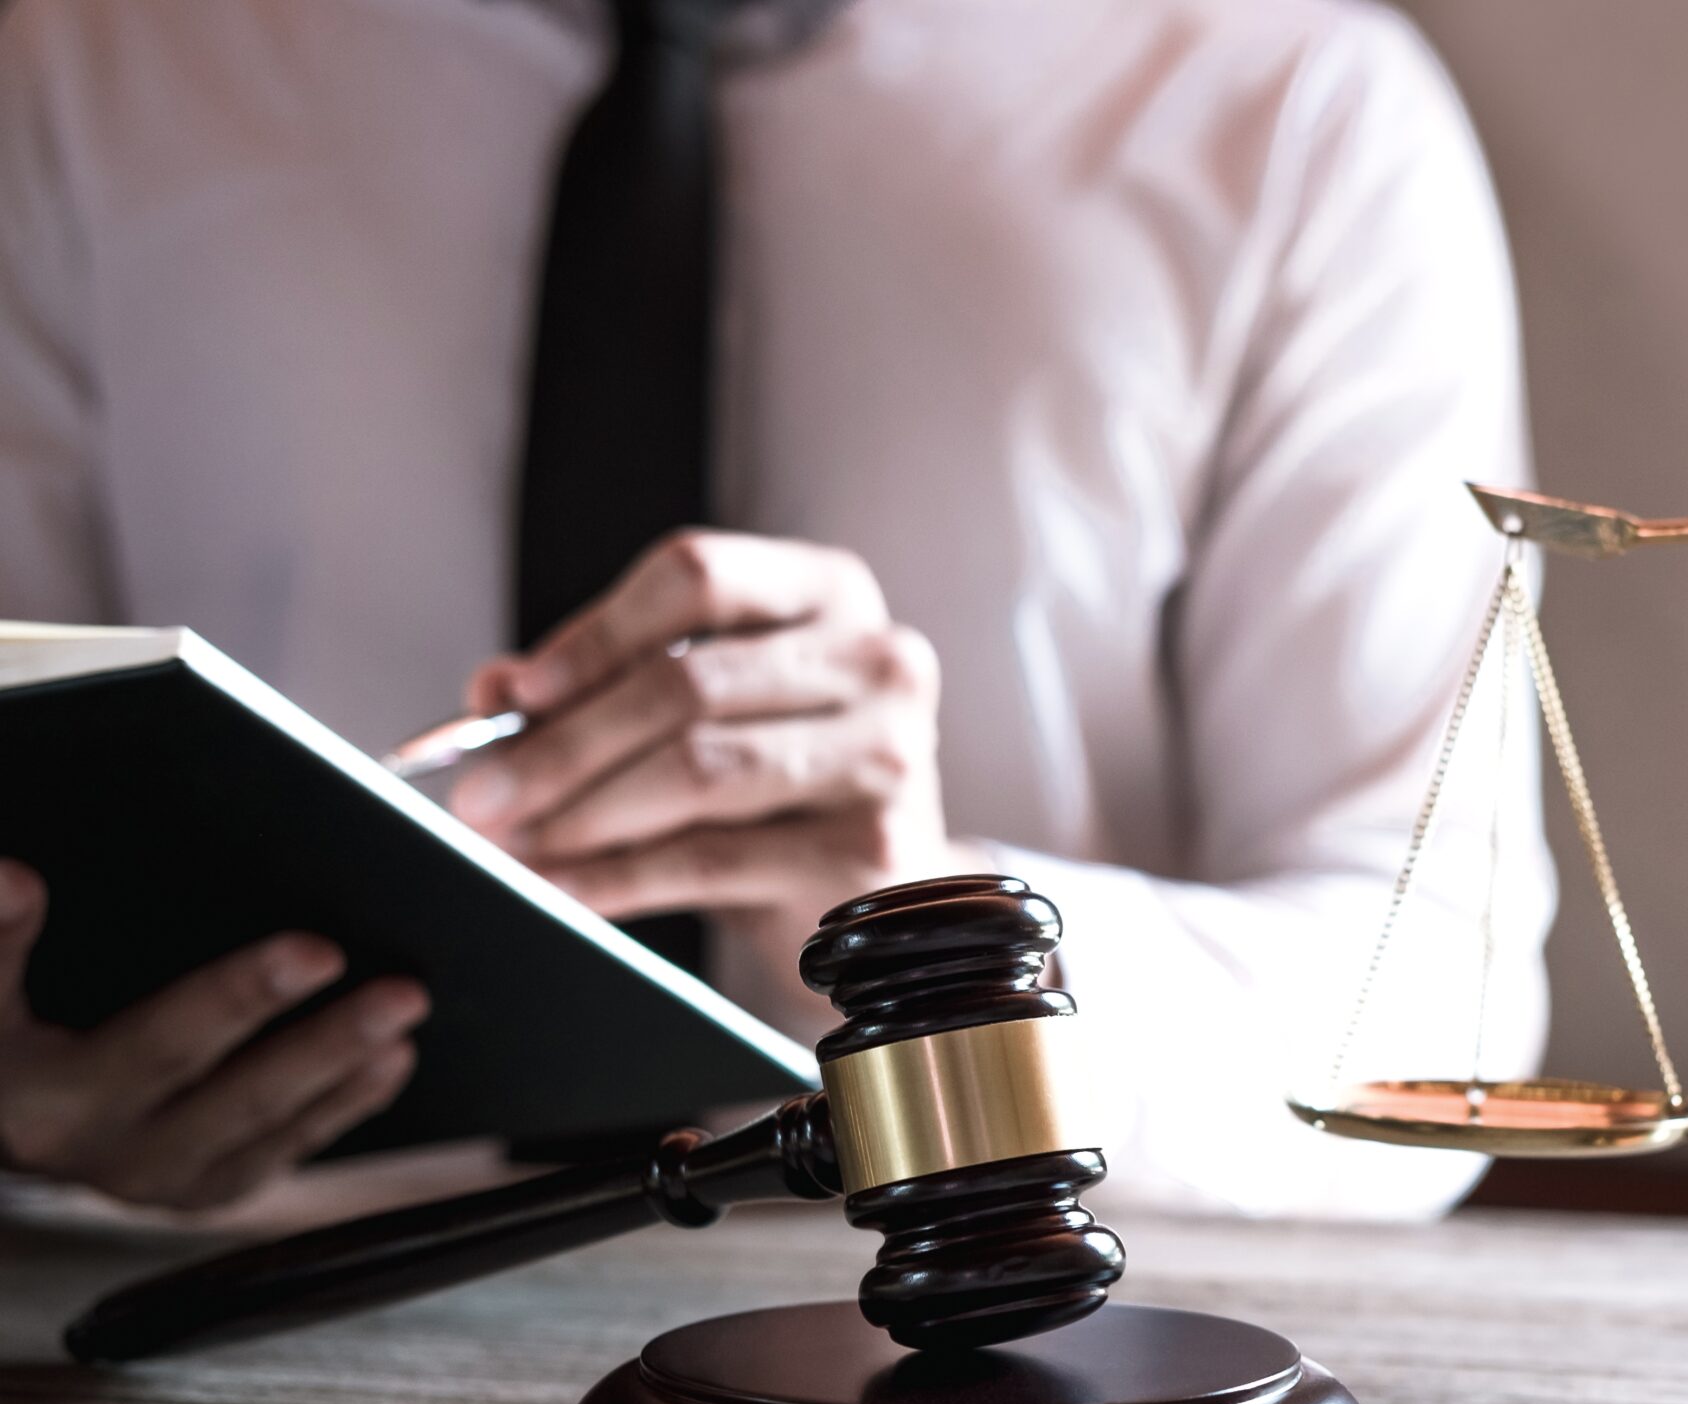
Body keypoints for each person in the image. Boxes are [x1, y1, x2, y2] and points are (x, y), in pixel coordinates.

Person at [0, 0, 1552, 1220]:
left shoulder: (1296, 116)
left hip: (985, 1354)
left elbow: (1439, 1037)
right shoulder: (80, 71)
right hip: (205, 1331)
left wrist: (944, 941)